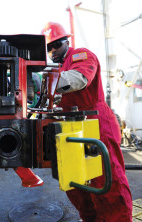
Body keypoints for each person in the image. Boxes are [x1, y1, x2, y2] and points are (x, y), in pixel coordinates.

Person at [41, 22, 132, 222]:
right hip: (71, 129)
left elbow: (79, 78)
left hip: (97, 125)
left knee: (108, 182)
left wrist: (43, 81)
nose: (53, 50)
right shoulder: (55, 68)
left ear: (67, 41)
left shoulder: (80, 55)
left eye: (57, 44)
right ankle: (90, 218)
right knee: (75, 184)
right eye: (49, 47)